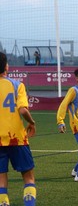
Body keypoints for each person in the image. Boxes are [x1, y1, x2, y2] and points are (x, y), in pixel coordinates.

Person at [0, 52, 37, 206]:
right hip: (18, 139)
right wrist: (32, 122)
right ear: (6, 66)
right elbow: (22, 110)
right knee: (28, 177)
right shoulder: (17, 85)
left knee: (1, 180)